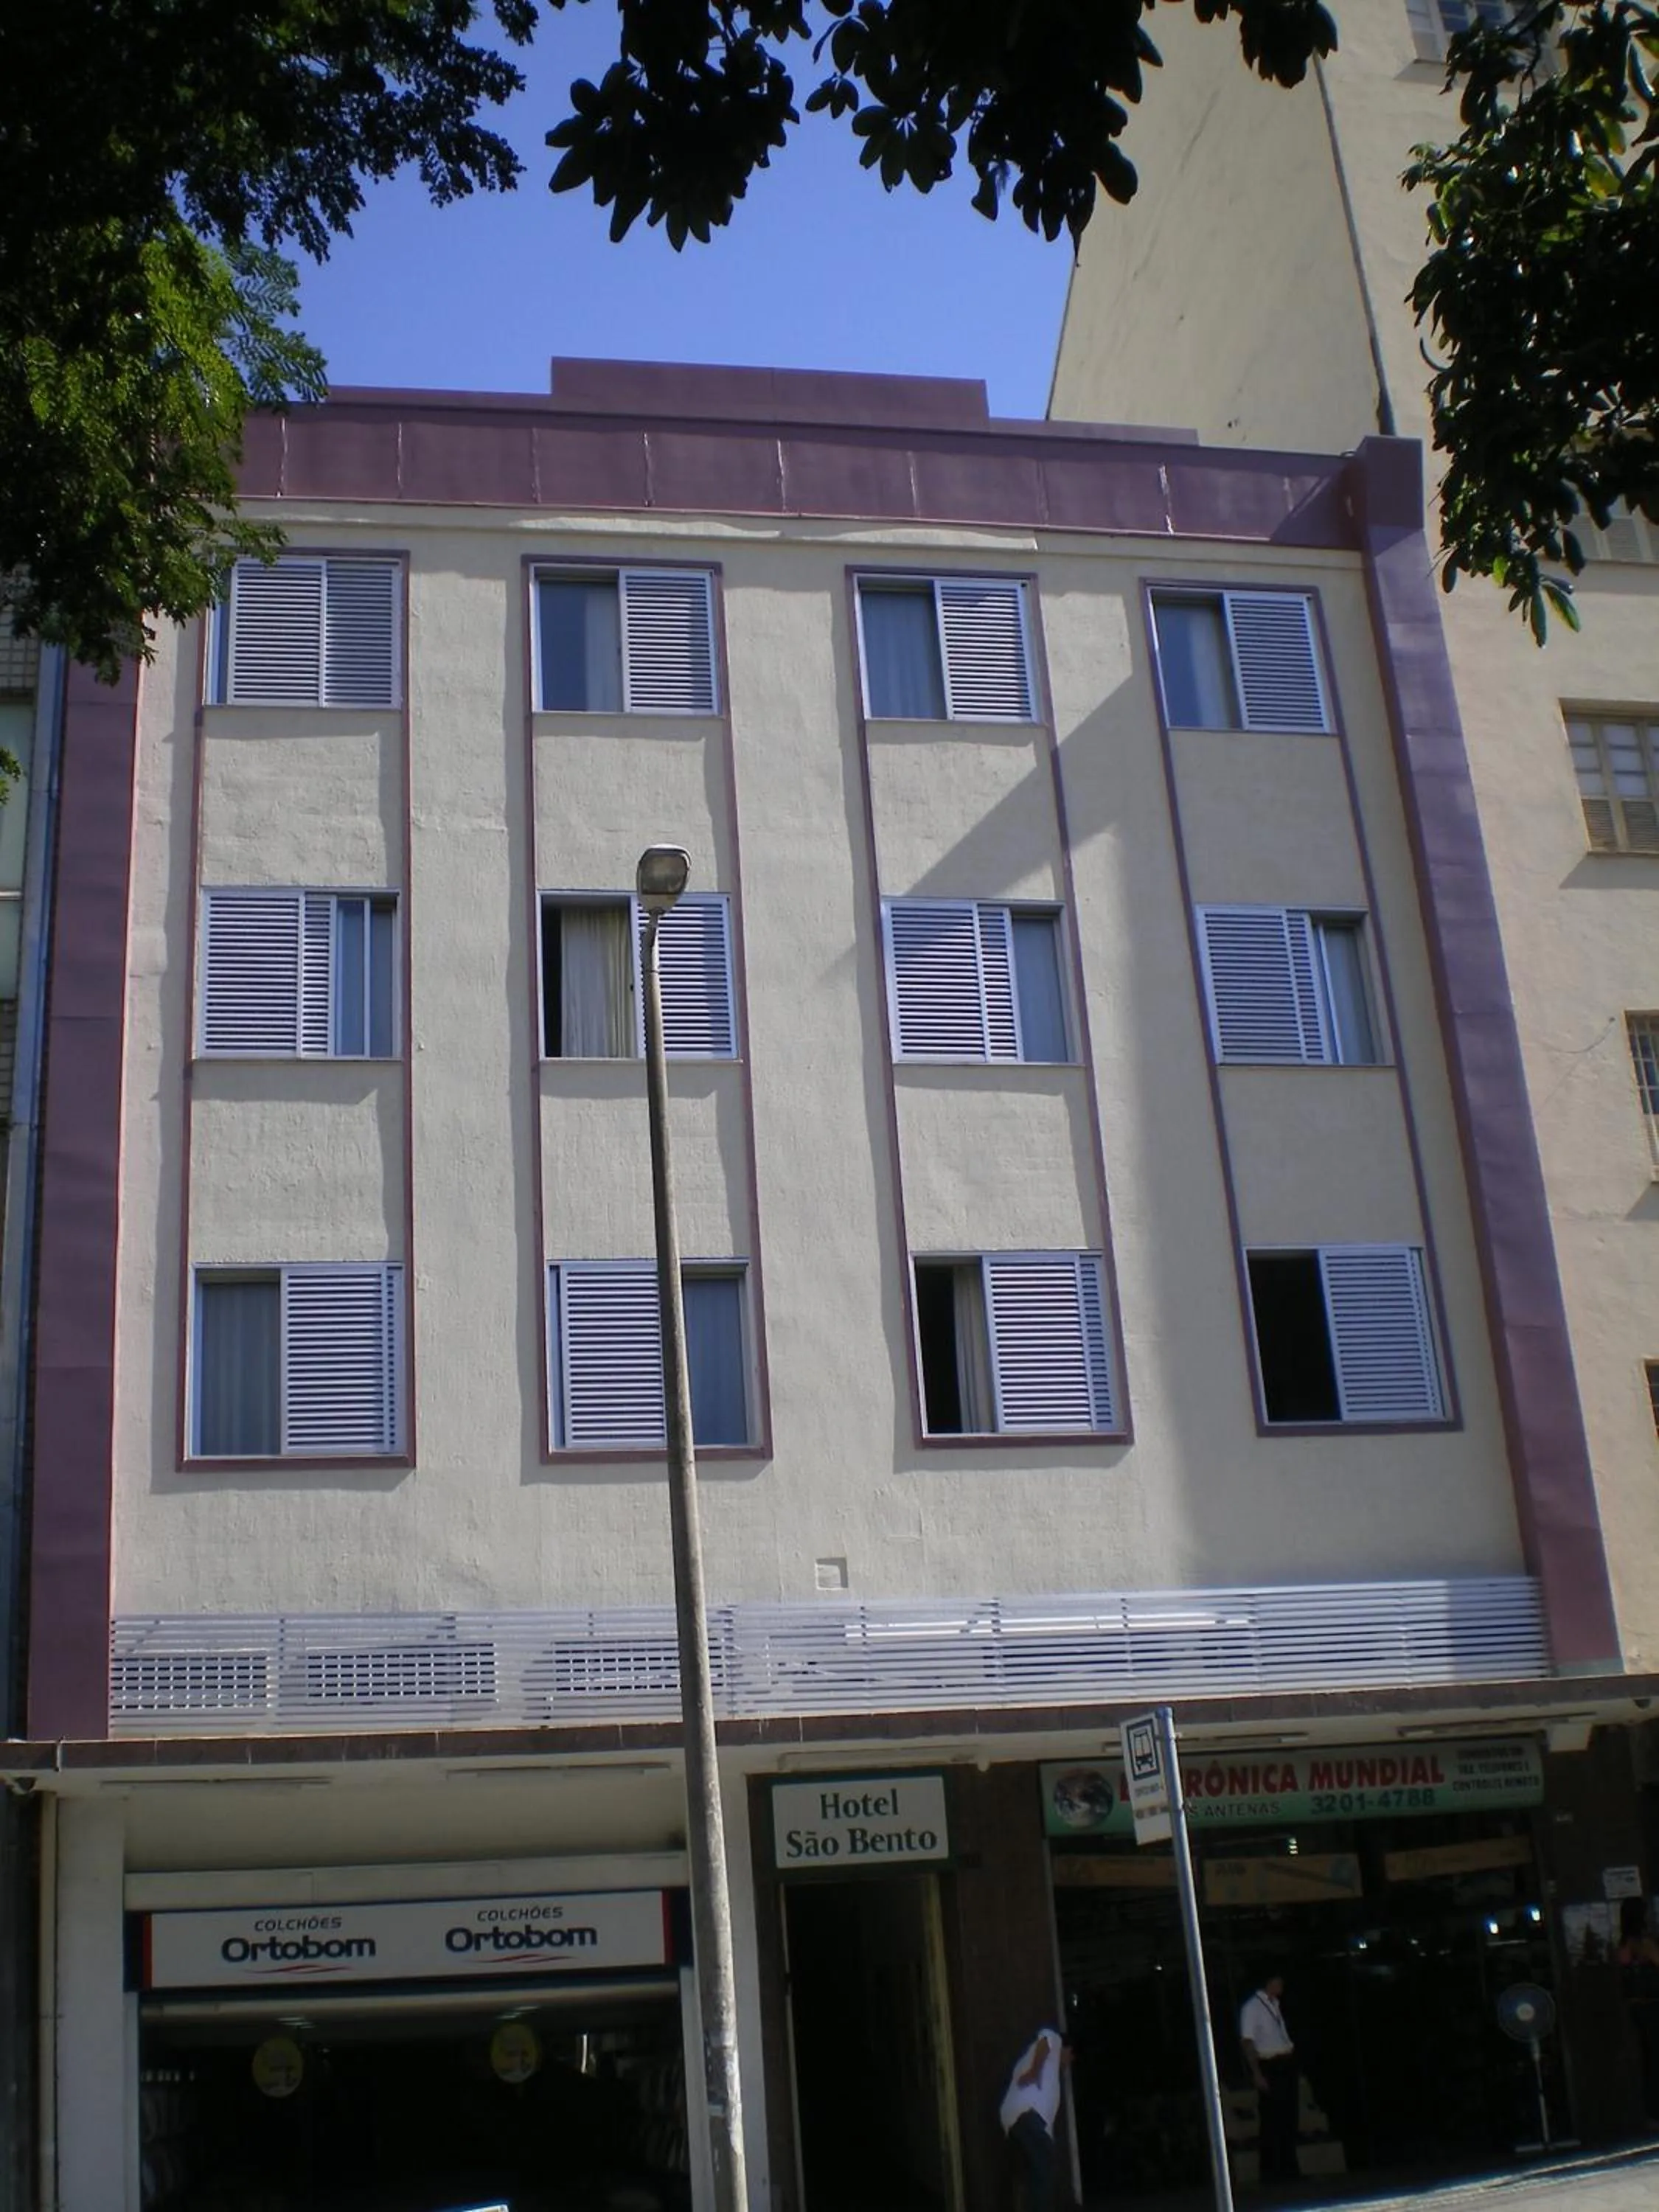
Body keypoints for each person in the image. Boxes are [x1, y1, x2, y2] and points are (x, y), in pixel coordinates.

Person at [1000, 2025, 1069, 2212]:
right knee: (1044, 2172)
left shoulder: (1047, 2069)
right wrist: (1034, 2072)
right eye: (1070, 2057)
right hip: (1028, 2115)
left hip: (1019, 2121)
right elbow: (1045, 2041)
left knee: (1034, 2173)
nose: (1068, 2063)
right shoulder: (1054, 2040)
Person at [1239, 1974, 1300, 2185]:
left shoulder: (1275, 2004)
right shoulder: (1252, 2008)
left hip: (1284, 2062)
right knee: (1272, 2119)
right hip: (1269, 2065)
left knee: (1289, 2117)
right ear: (1268, 1982)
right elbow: (1248, 2042)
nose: (1281, 1985)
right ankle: (1271, 2172)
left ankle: (1289, 2169)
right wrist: (1256, 2073)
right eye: (1278, 1981)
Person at [1617, 1898, 1659, 2125]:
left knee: (1649, 2058)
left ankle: (1652, 2110)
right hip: (1654, 2004)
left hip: (1636, 2008)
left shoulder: (1623, 1945)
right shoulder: (1644, 1943)